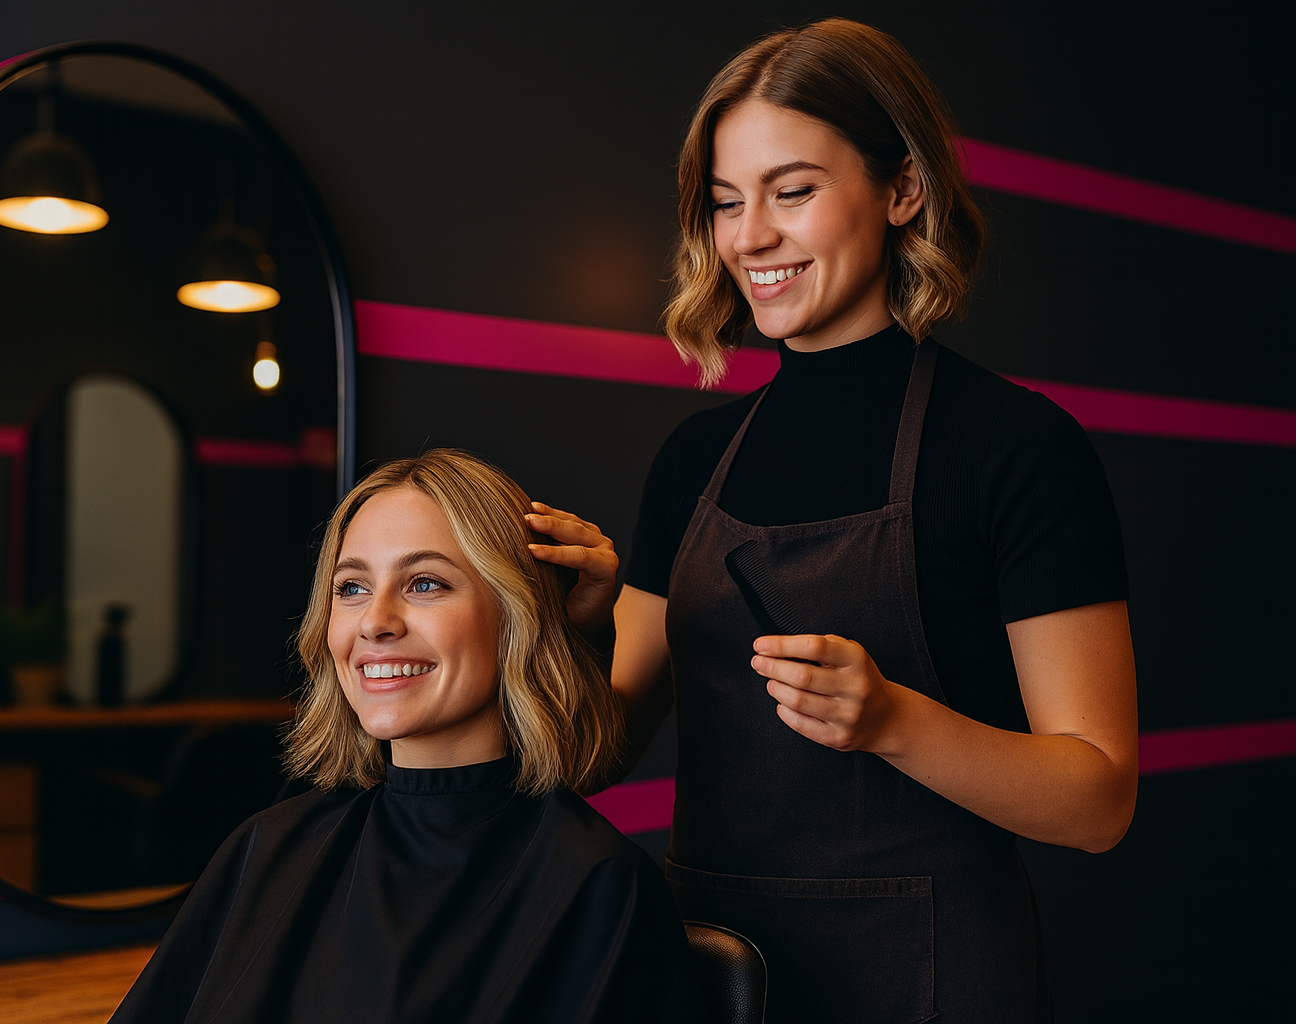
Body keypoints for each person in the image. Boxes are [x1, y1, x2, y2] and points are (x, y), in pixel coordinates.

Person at [528, 18, 1137, 1024]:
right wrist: (584, 625)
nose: (750, 236)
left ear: (903, 190)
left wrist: (895, 722)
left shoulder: (1018, 448)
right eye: (726, 202)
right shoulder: (691, 463)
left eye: (793, 190)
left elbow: (1099, 800)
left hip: (933, 976)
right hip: (714, 970)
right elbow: (591, 760)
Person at [109, 449, 705, 1024]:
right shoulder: (266, 848)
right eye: (351, 588)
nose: (375, 621)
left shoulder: (598, 887)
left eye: (425, 583)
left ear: (516, 616)